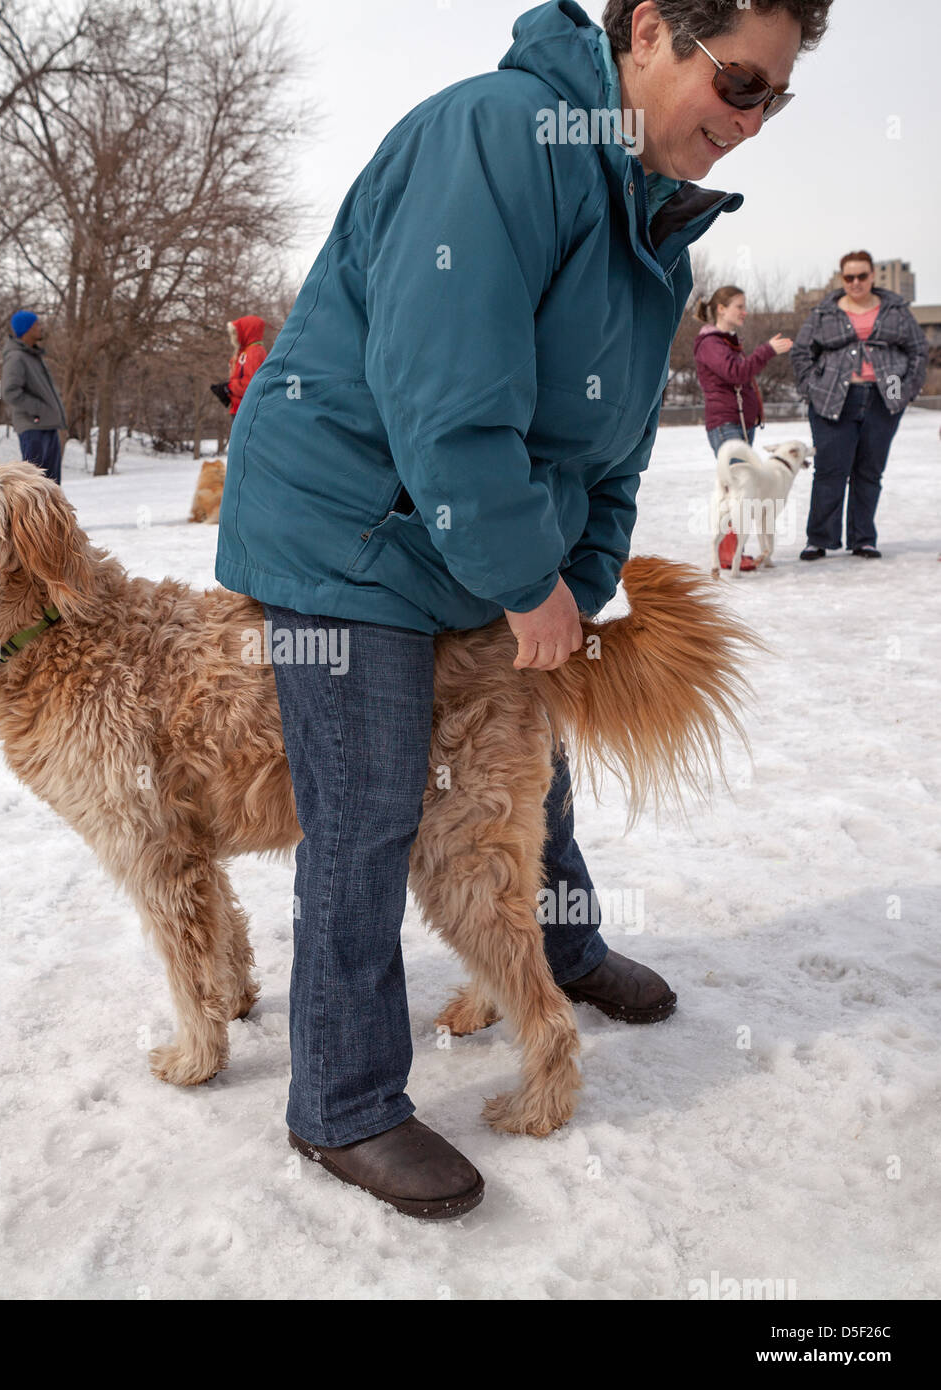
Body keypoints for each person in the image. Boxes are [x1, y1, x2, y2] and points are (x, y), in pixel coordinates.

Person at [215, 0, 827, 1219]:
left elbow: (610, 448)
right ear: (648, 29)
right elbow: (445, 396)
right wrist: (521, 580)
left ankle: (563, 943)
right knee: (370, 808)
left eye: (775, 97)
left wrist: (577, 578)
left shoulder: (649, 217)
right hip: (350, 531)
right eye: (740, 83)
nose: (751, 122)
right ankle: (340, 1099)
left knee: (527, 773)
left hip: (464, 534)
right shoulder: (502, 138)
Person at [791, 250, 929, 560]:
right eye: (849, 277)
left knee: (869, 470)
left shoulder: (896, 309)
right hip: (833, 399)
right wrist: (813, 388)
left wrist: (905, 391)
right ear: (842, 278)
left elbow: (918, 351)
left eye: (862, 276)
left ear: (873, 277)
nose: (856, 282)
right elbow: (801, 353)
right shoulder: (823, 312)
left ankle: (863, 538)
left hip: (884, 397)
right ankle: (820, 539)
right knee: (830, 470)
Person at [693, 284, 792, 569]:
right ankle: (728, 553)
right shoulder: (711, 343)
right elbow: (736, 373)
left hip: (738, 425)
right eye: (739, 306)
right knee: (738, 490)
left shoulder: (726, 341)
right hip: (725, 425)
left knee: (741, 489)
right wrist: (767, 350)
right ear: (721, 309)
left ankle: (733, 551)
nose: (744, 312)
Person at [2, 310, 67, 484]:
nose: (40, 327)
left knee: (52, 487)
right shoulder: (16, 357)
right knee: (36, 487)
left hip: (47, 425)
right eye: (36, 324)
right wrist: (39, 411)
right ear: (27, 329)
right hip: (33, 429)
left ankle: (54, 513)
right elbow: (10, 392)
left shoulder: (33, 355)